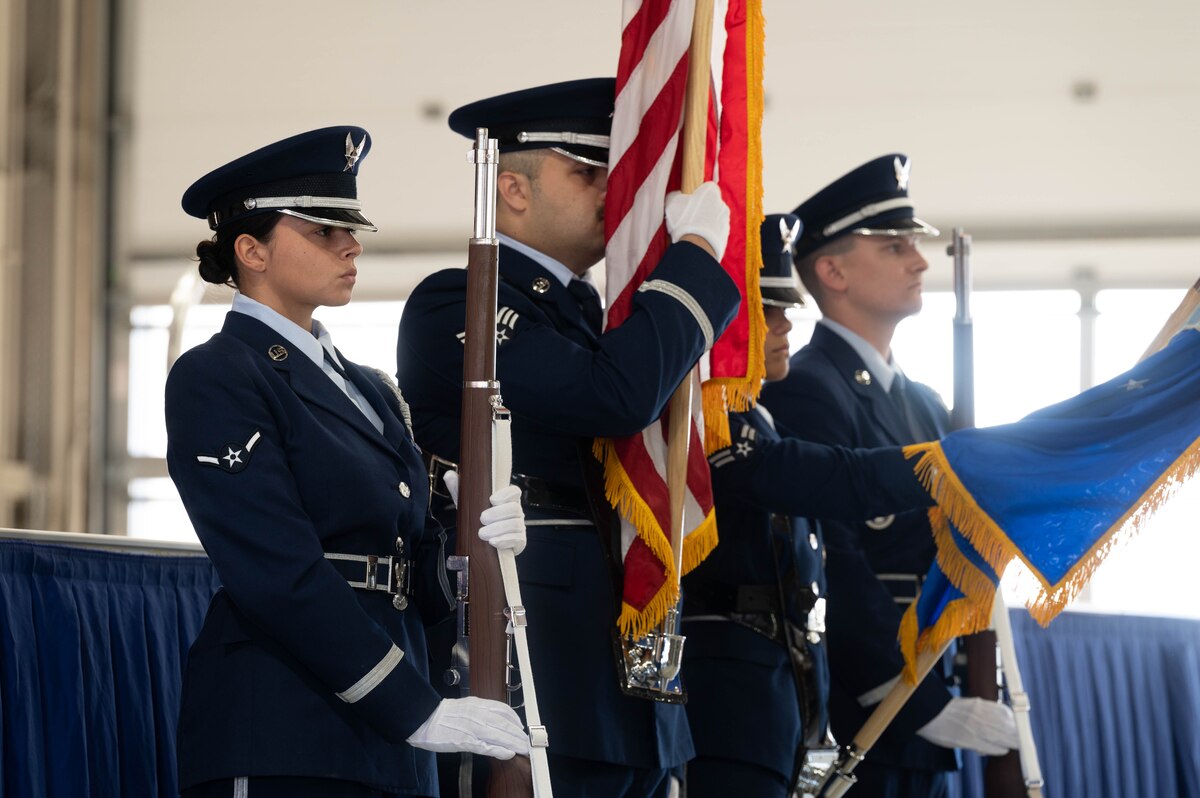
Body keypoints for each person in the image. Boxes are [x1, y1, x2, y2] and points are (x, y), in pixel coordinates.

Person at [396, 77, 741, 798]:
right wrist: (695, 258)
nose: (613, 196)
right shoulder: (459, 301)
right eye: (587, 174)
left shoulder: (594, 316)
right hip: (539, 656)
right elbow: (613, 396)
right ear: (514, 191)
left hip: (626, 677)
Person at [166, 126, 532, 798]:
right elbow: (277, 573)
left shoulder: (369, 388)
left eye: (350, 229)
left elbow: (410, 565)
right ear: (251, 250)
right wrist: (414, 709)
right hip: (286, 727)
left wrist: (468, 540)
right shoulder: (219, 376)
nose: (351, 245)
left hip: (387, 738)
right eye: (321, 231)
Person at [760, 155, 1018, 798]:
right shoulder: (810, 389)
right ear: (833, 270)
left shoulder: (925, 404)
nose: (920, 261)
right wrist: (916, 700)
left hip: (927, 679)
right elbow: (832, 558)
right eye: (895, 246)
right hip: (867, 700)